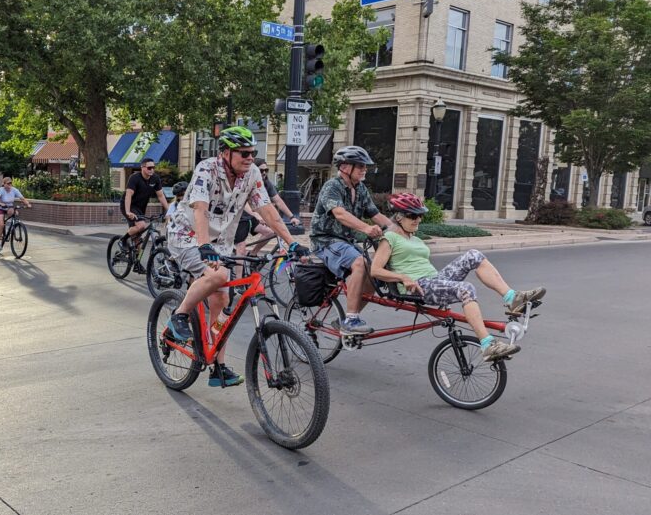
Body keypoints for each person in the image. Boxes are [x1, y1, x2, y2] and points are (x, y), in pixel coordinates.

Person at [166, 126, 310, 388]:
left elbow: (267, 210)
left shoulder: (252, 173)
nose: (250, 158)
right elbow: (200, 209)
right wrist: (203, 245)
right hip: (188, 235)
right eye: (244, 153)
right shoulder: (206, 169)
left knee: (223, 297)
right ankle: (179, 317)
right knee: (220, 275)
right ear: (225, 153)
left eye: (253, 153)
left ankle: (218, 368)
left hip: (221, 242)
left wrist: (292, 243)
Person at [371, 193, 546, 361]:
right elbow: (375, 270)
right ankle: (488, 345)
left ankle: (512, 298)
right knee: (466, 289)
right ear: (399, 217)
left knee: (474, 255)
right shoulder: (390, 238)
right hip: (418, 286)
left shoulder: (415, 239)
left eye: (420, 215)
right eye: (413, 216)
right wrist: (403, 277)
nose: (418, 219)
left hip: (434, 280)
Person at [309, 146, 396, 336]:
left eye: (365, 166)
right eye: (360, 166)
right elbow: (339, 213)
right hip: (326, 241)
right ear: (345, 167)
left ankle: (347, 318)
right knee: (360, 263)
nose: (364, 169)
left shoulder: (361, 188)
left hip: (345, 241)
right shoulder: (332, 187)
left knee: (374, 275)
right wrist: (365, 228)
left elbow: (375, 214)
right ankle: (351, 319)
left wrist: (398, 233)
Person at [120, 158, 170, 248]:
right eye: (149, 168)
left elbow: (161, 196)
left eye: (153, 167)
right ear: (142, 167)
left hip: (140, 207)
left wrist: (169, 211)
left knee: (138, 240)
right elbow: (128, 195)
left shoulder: (155, 178)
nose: (152, 170)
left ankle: (134, 260)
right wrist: (128, 212)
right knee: (141, 225)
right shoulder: (135, 178)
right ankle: (123, 239)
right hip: (128, 205)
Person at [0, 177, 31, 247]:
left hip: (9, 207)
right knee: (1, 224)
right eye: (8, 183)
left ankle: (13, 227)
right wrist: (0, 203)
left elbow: (22, 198)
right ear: (4, 184)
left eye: (11, 183)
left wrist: (27, 204)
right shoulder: (1, 190)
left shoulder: (14, 190)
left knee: (15, 213)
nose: (10, 185)